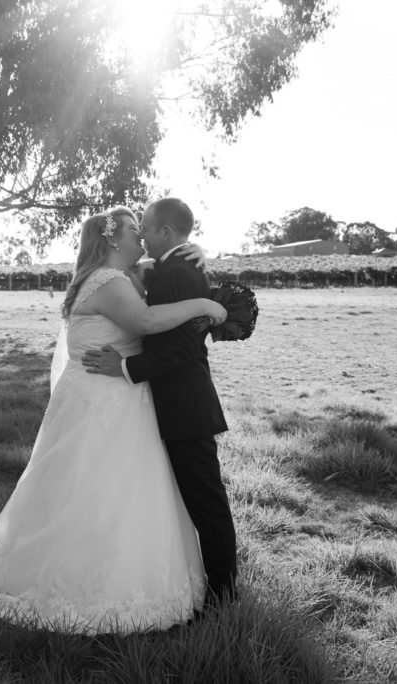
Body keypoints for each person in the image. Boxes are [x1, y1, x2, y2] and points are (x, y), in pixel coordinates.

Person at [0, 207, 227, 635]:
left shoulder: (118, 276)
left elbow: (160, 268)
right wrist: (206, 304)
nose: (140, 236)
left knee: (110, 486)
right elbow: (145, 321)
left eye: (143, 230)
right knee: (98, 487)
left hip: (108, 398)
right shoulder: (109, 282)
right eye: (132, 230)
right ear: (112, 240)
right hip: (104, 400)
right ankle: (87, 573)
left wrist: (192, 249)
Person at [82, 198, 238, 608]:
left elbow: (184, 349)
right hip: (170, 404)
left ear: (166, 233)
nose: (143, 236)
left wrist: (128, 367)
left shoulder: (180, 273)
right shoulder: (166, 269)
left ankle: (225, 594)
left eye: (146, 229)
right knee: (188, 499)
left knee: (207, 503)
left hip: (186, 407)